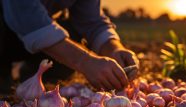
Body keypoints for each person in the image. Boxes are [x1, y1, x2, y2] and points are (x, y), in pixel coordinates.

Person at [0, 0, 139, 92]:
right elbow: (26, 15)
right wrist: (85, 61)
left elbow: (92, 21)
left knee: (73, 34)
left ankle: (34, 76)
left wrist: (114, 48)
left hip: (42, 33)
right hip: (7, 29)